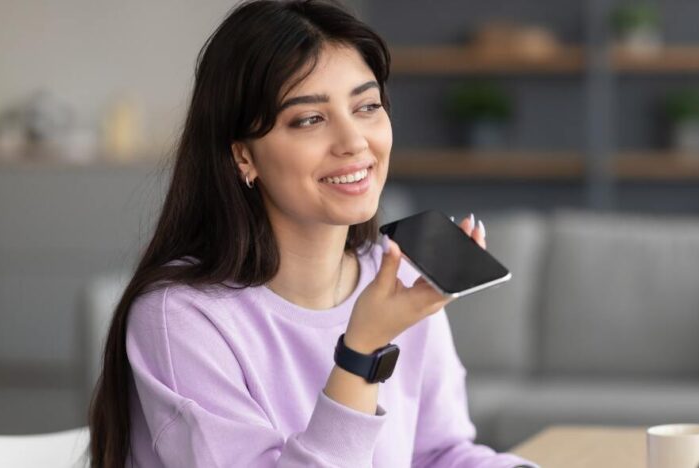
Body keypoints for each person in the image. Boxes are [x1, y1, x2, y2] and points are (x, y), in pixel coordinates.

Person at [86, 1, 537, 466]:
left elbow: (441, 454)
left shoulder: (399, 272)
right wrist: (361, 352)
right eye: (309, 119)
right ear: (244, 157)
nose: (354, 142)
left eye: (367, 106)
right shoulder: (182, 317)